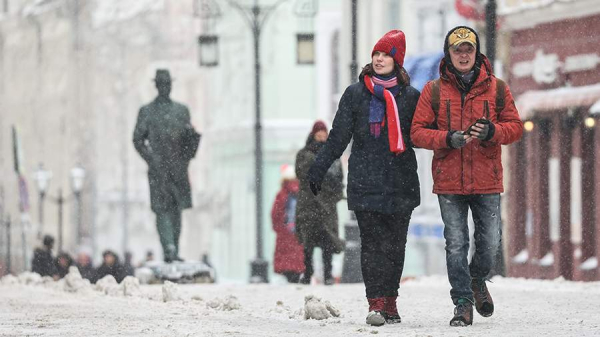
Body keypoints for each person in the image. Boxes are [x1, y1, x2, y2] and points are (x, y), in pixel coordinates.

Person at [411, 26, 523, 326]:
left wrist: (491, 132)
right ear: (448, 53)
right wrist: (448, 138)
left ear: (477, 53)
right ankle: (462, 302)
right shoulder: (433, 90)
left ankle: (477, 279)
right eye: (457, 50)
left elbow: (515, 127)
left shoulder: (497, 88)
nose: (463, 55)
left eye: (468, 50)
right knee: (456, 242)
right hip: (449, 181)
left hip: (487, 179)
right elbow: (417, 133)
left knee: (490, 242)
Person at [307, 30, 421, 326]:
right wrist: (318, 167)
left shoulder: (410, 97)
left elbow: (423, 136)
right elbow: (338, 137)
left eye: (386, 54)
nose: (380, 59)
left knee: (395, 245)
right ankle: (376, 303)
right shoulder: (356, 94)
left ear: (397, 61)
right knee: (372, 244)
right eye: (376, 54)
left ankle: (391, 300)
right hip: (365, 180)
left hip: (401, 182)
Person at [133, 69, 201, 263]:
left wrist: (191, 140)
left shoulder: (181, 111)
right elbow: (137, 139)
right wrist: (151, 159)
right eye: (161, 83)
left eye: (167, 83)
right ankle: (168, 248)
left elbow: (188, 141)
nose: (165, 87)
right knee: (161, 209)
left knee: (177, 210)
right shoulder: (147, 112)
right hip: (158, 169)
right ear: (156, 86)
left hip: (178, 168)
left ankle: (175, 249)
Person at [296, 121, 345, 287]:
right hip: (309, 204)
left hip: (326, 206)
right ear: (313, 135)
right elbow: (302, 174)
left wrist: (335, 195)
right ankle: (307, 273)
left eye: (324, 135)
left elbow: (338, 178)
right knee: (308, 243)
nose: (322, 138)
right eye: (319, 135)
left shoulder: (332, 155)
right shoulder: (305, 154)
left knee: (328, 242)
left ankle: (328, 275)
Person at [271, 164, 305, 283]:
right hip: (299, 234)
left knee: (286, 260)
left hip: (285, 234)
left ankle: (290, 276)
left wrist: (278, 228)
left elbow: (275, 214)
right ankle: (296, 275)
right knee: (298, 258)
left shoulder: (281, 195)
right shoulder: (303, 193)